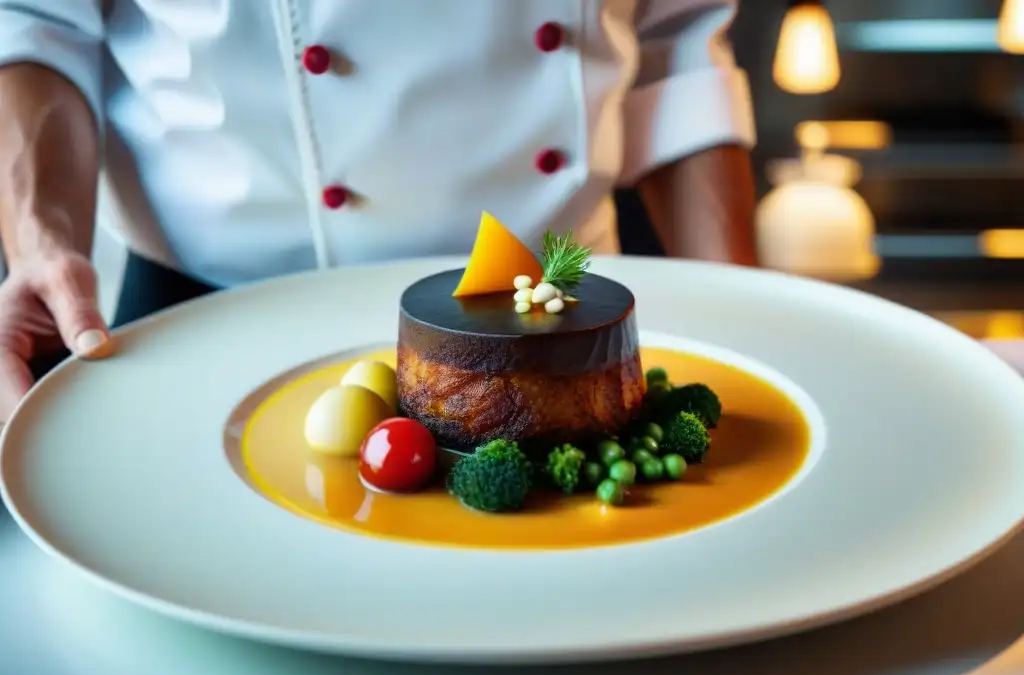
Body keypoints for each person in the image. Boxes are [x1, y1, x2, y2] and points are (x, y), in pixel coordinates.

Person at [0, 0, 757, 421]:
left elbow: (674, 39)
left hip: (573, 330)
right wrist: (39, 241)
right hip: (201, 323)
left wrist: (762, 316)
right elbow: (38, 22)